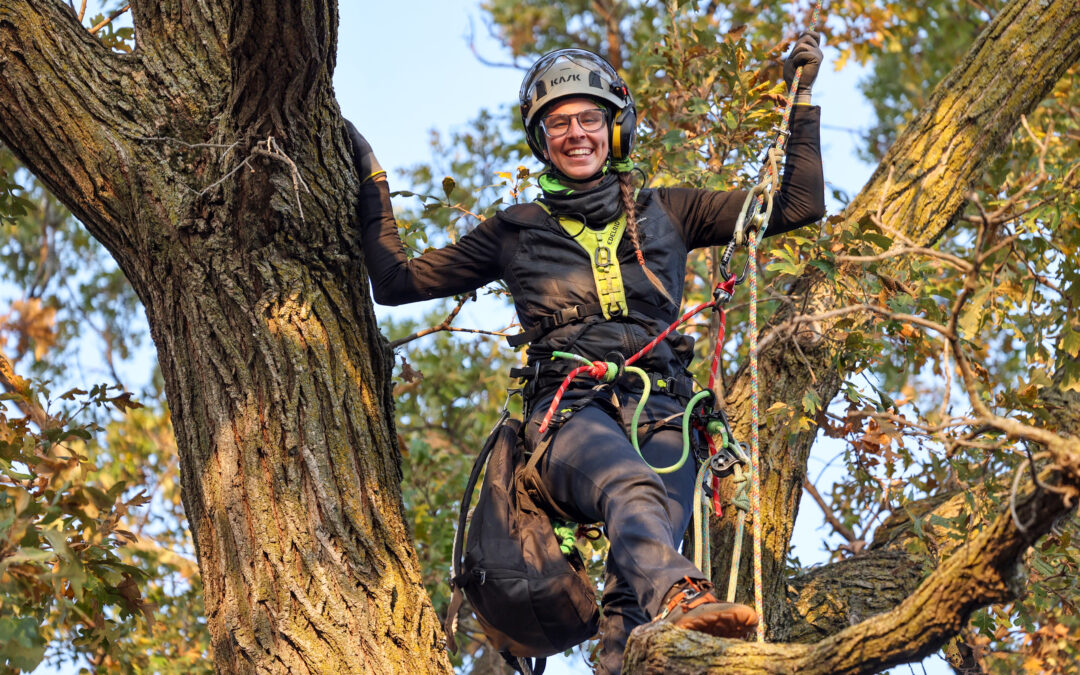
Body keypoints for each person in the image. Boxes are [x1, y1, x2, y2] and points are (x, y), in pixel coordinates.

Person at [351, 34, 825, 675]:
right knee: (634, 497)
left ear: (616, 130)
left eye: (588, 119)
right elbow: (397, 281)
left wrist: (803, 102)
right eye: (558, 123)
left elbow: (797, 204)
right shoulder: (514, 231)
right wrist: (372, 179)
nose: (575, 133)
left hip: (667, 414)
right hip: (568, 416)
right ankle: (686, 594)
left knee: (640, 573)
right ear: (541, 140)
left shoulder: (672, 210)